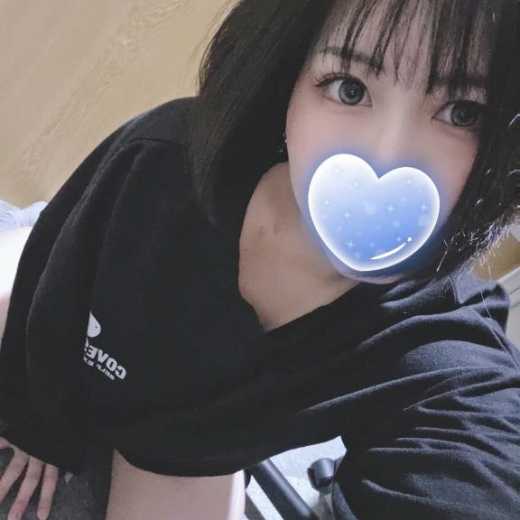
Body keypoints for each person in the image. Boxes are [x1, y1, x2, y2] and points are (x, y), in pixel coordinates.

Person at [0, 0, 519, 518]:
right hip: (88, 371)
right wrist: (33, 426)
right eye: (349, 88)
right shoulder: (164, 162)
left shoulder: (443, 352)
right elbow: (56, 274)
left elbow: (474, 460)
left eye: (463, 113)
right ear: (288, 81)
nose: (387, 157)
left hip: (187, 447)